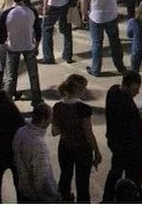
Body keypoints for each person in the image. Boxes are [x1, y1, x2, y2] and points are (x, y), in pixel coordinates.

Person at [102, 70, 142, 201]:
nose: (138, 92)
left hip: (115, 143)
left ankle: (107, 199)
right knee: (133, 177)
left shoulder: (113, 91)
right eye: (136, 89)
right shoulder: (124, 106)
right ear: (128, 86)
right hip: (128, 149)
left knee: (115, 172)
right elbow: (130, 137)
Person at [51, 74, 102, 203]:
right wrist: (96, 151)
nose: (85, 90)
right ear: (77, 89)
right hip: (82, 149)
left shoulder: (57, 107)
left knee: (65, 177)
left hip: (64, 147)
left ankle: (64, 200)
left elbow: (55, 132)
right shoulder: (84, 108)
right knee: (82, 182)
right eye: (84, 88)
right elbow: (88, 133)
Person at [79, 0, 125, 77]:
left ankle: (96, 68)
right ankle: (120, 66)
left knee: (97, 43)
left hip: (96, 15)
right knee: (115, 42)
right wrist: (113, 0)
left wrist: (84, 14)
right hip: (111, 14)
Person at [0, 0, 43, 106]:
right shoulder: (31, 11)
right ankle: (36, 99)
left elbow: (0, 36)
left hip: (12, 47)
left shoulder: (6, 14)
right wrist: (37, 45)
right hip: (29, 46)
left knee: (10, 76)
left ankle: (7, 102)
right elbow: (38, 31)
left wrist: (5, 44)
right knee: (33, 75)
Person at [12, 102, 60, 203]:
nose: (51, 121)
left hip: (23, 188)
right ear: (43, 120)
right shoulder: (38, 144)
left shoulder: (20, 132)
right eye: (50, 118)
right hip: (36, 196)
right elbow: (41, 177)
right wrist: (54, 196)